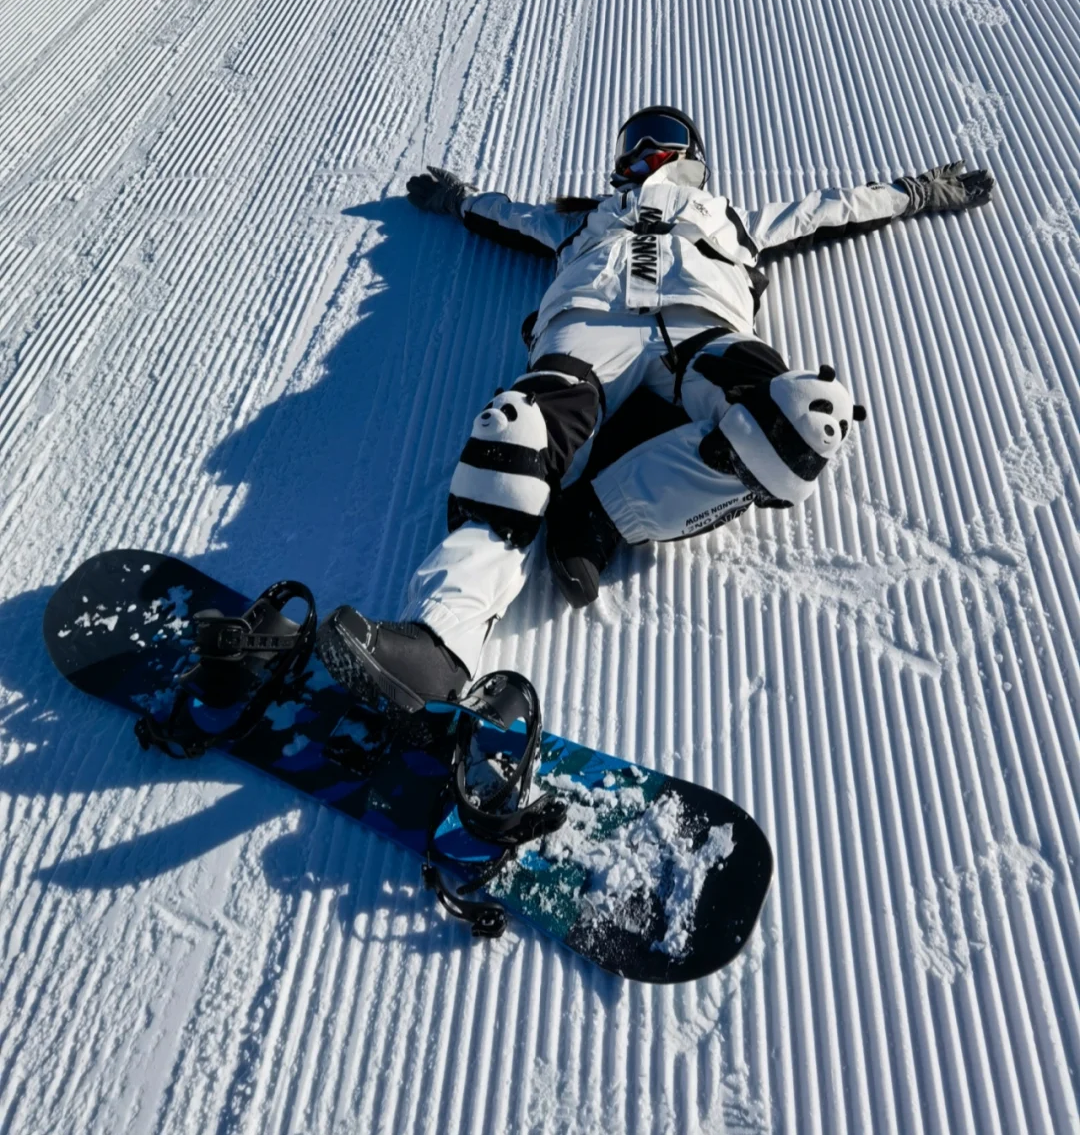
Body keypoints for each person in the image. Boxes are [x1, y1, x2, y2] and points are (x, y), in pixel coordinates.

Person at [317, 107, 994, 714]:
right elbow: (511, 215)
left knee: (801, 420)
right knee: (514, 437)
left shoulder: (730, 219)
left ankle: (601, 513)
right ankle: (437, 645)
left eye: (663, 137)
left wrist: (915, 192)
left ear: (695, 155)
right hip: (589, 331)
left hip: (704, 333)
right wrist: (459, 200)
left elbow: (828, 207)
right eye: (633, 140)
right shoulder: (584, 219)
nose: (645, 148)